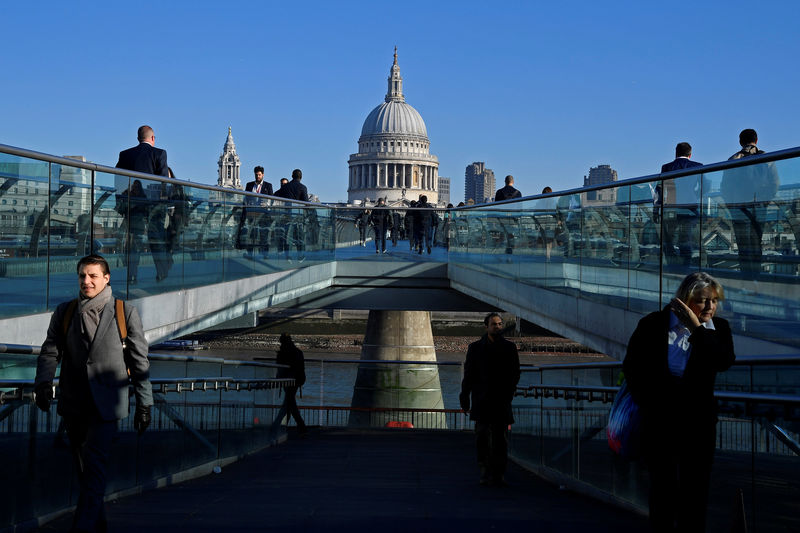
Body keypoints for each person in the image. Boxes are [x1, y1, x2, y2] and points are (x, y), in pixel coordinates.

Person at [34, 254, 153, 532]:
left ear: (106, 279)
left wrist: (144, 405)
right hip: (74, 405)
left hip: (107, 406)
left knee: (95, 469)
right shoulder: (65, 312)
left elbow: (139, 362)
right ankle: (97, 526)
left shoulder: (125, 312)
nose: (86, 281)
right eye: (82, 276)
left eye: (93, 276)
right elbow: (50, 351)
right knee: (85, 473)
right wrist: (43, 384)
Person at [623, 272, 735, 532]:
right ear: (685, 300)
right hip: (660, 421)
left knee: (696, 490)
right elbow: (633, 368)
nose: (710, 307)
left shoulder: (719, 329)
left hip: (699, 424)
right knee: (662, 487)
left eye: (714, 301)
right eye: (703, 300)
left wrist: (697, 330)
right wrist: (650, 404)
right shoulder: (652, 324)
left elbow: (723, 361)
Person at [459, 312, 521, 487]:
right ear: (486, 327)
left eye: (500, 324)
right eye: (494, 324)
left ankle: (498, 474)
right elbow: (469, 374)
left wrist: (509, 392)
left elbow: (515, 372)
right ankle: (485, 471)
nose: (498, 327)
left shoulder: (509, 348)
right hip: (482, 400)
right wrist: (465, 396)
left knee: (501, 440)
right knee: (482, 438)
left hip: (501, 400)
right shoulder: (475, 348)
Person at [720, 129, 780, 276]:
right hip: (759, 207)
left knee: (743, 245)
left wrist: (731, 205)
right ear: (757, 140)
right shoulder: (767, 158)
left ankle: (746, 278)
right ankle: (756, 278)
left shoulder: (733, 159)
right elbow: (775, 183)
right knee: (756, 243)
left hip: (739, 208)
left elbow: (725, 187)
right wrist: (765, 200)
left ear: (740, 142)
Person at [274, 333, 307, 435]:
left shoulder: (283, 353)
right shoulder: (297, 352)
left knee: (289, 404)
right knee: (289, 403)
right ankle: (280, 426)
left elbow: (281, 367)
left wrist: (279, 378)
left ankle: (278, 427)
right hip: (296, 380)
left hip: (287, 380)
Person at [240, 166, 273, 257]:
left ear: (263, 175)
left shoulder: (268, 186)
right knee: (251, 234)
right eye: (256, 175)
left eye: (259, 175)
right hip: (252, 213)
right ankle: (250, 253)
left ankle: (264, 253)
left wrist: (267, 205)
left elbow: (272, 199)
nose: (257, 176)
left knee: (264, 234)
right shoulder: (249, 185)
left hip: (263, 213)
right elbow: (245, 198)